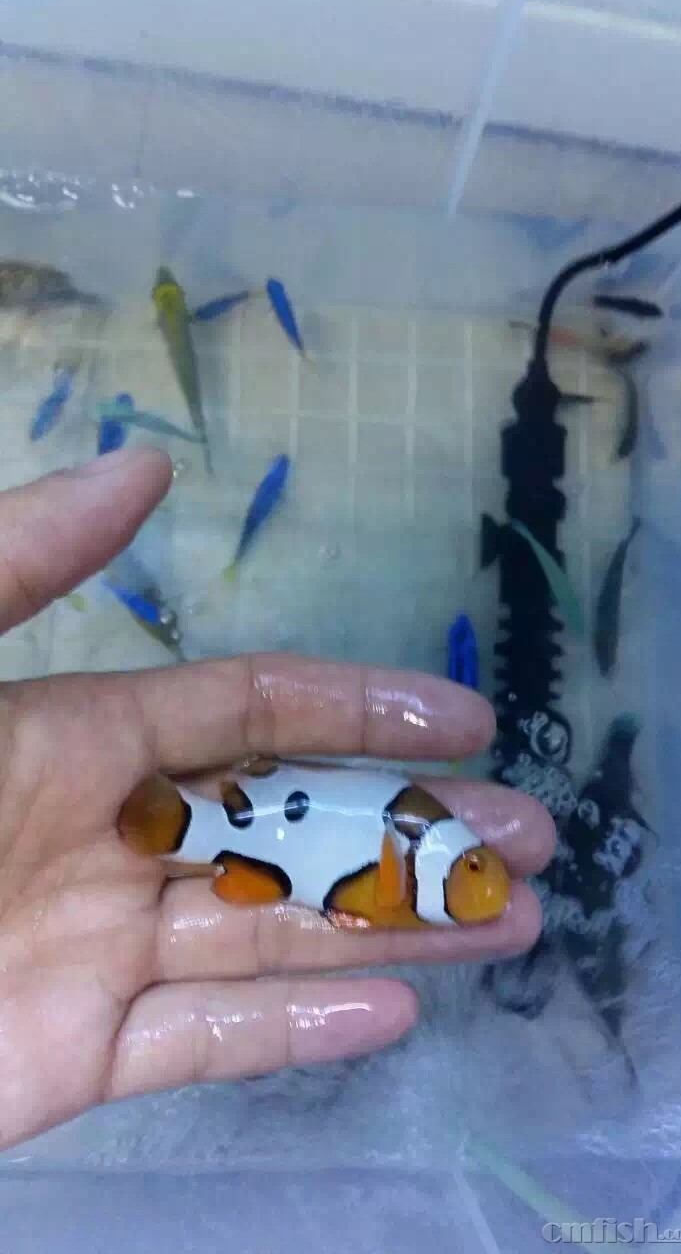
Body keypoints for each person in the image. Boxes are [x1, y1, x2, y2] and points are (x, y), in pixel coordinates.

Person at [0, 447, 554, 1149]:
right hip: (277, 832)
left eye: (476, 867)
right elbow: (366, 886)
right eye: (474, 865)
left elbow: (363, 897)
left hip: (287, 847)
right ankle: (189, 827)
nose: (482, 878)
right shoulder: (406, 873)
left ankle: (193, 829)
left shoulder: (410, 877)